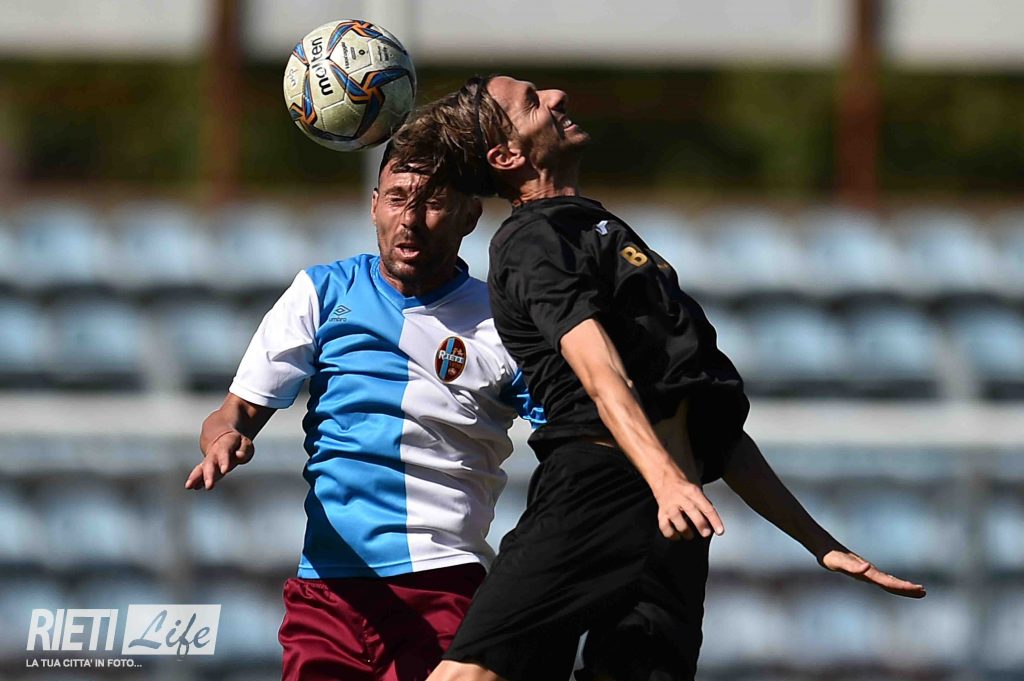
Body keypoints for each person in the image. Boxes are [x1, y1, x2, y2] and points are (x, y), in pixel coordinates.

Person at [386, 75, 927, 681]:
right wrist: (664, 479)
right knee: (474, 673)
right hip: (600, 488)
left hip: (673, 513)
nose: (559, 98)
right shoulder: (533, 240)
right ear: (507, 156)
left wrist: (819, 543)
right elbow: (599, 372)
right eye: (533, 102)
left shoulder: (593, 228)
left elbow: (707, 426)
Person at [185, 142, 542, 681]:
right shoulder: (321, 293)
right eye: (397, 198)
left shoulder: (504, 322)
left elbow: (569, 437)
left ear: (470, 214)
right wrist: (222, 439)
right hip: (328, 590)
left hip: (441, 585)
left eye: (432, 203)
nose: (410, 220)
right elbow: (231, 413)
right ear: (374, 205)